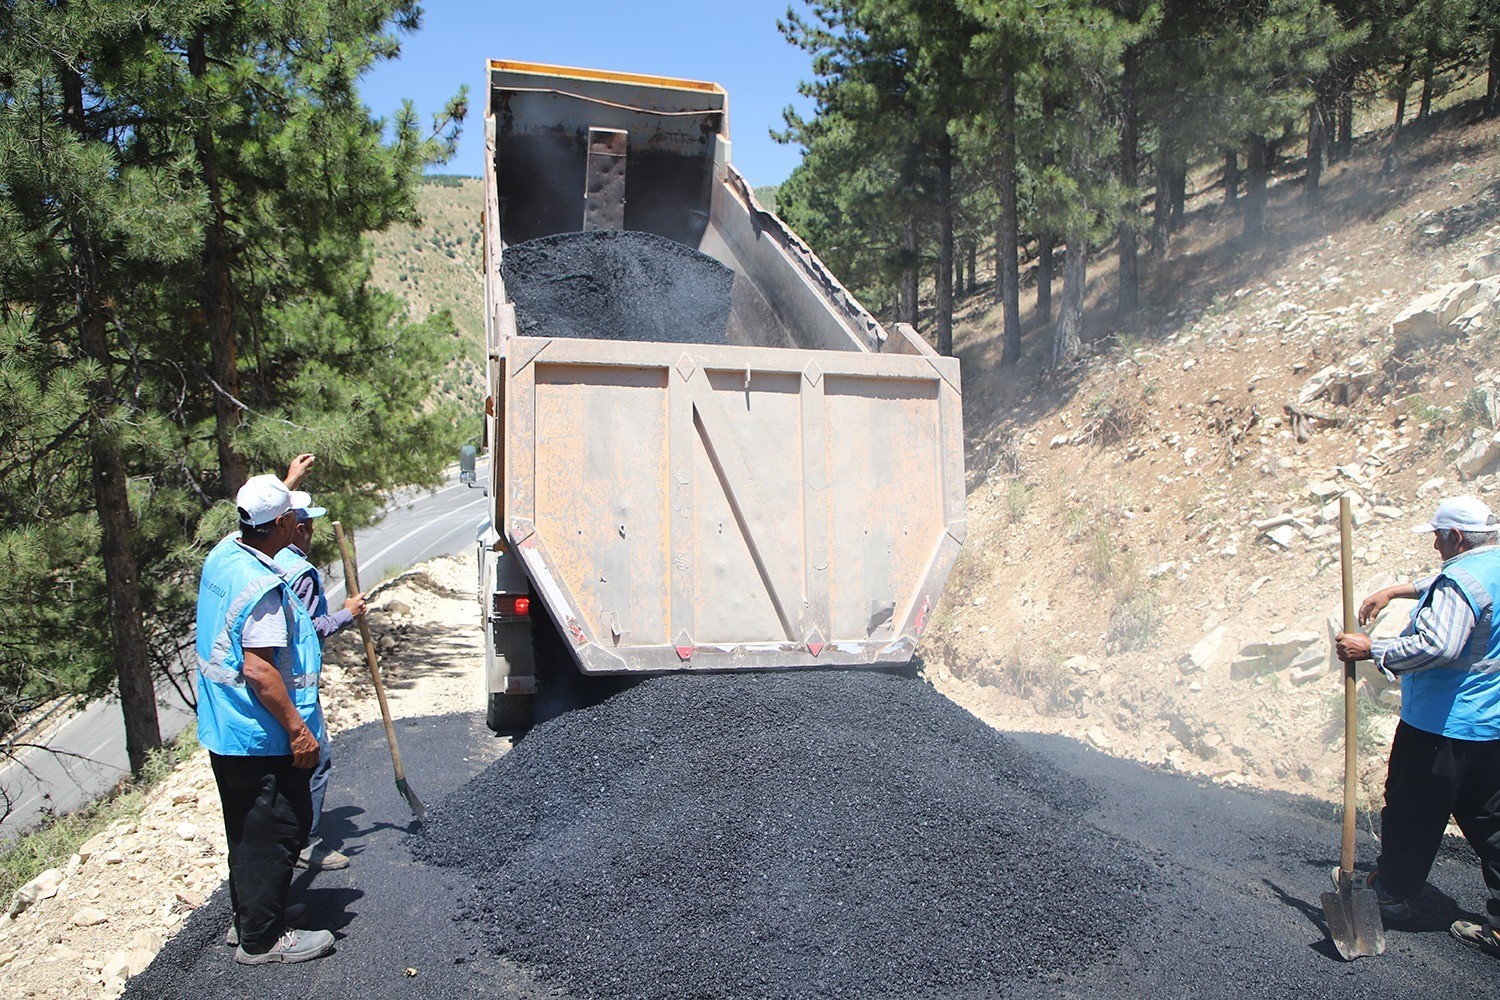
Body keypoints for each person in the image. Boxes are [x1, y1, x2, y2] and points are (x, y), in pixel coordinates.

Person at [1335, 495, 1500, 959]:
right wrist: (1396, 590)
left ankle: (1391, 894)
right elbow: (1450, 584)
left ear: (1457, 536)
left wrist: (1372, 649)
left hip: (1440, 727)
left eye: (1438, 535)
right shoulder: (1492, 564)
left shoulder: (1460, 580)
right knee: (1493, 823)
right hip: (1490, 726)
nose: (1434, 543)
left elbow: (1441, 645)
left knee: (1410, 812)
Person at [195, 474, 335, 965]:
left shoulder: (225, 554)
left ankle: (253, 917)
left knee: (246, 832)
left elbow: (256, 514)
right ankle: (263, 940)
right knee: (278, 831)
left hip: (224, 726)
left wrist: (287, 482)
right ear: (280, 523)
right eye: (293, 517)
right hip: (259, 733)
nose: (298, 524)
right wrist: (298, 729)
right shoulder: (263, 589)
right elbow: (258, 668)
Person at [277, 488, 367, 870]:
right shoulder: (300, 573)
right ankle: (305, 841)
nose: (311, 530)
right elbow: (307, 629)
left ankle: (289, 834)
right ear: (297, 527)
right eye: (308, 524)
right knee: (317, 756)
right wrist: (348, 613)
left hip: (275, 680)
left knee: (289, 762)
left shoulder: (269, 557)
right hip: (295, 681)